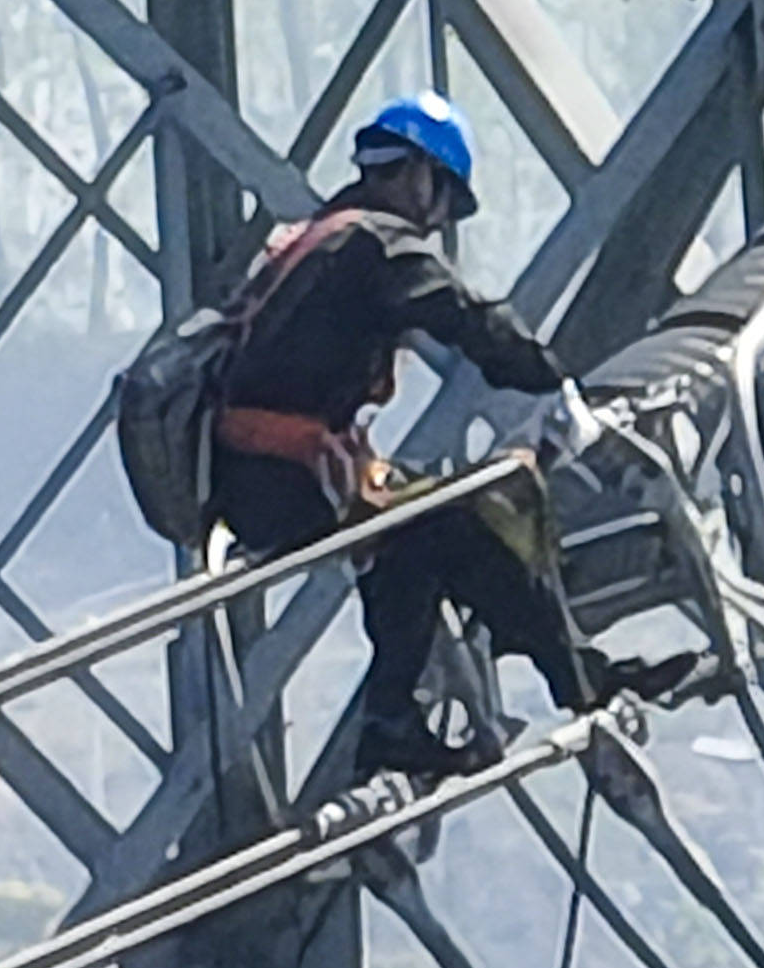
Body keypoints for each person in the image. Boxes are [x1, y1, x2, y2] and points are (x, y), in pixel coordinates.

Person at [210, 92, 681, 780]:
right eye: (443, 198)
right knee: (469, 524)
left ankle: (392, 720)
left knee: (413, 543)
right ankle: (575, 676)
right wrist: (551, 380)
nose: (437, 220)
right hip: (285, 478)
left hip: (258, 479)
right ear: (418, 175)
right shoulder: (375, 244)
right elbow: (465, 317)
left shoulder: (322, 233)